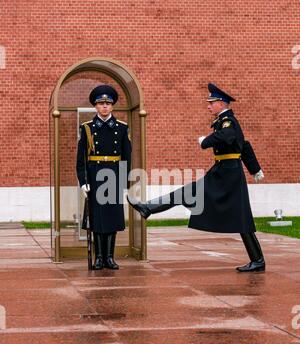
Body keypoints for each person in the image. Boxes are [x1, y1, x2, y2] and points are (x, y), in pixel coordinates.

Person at [127, 83, 265, 273]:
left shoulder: (228, 121)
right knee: (196, 196)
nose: (208, 106)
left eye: (211, 103)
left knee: (239, 217)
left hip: (228, 175)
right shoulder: (224, 120)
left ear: (221, 103)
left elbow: (229, 136)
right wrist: (255, 169)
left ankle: (258, 260)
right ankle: (148, 208)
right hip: (224, 172)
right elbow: (244, 144)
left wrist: (205, 141)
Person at [76, 84, 131, 270]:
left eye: (108, 103)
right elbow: (81, 160)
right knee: (97, 218)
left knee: (113, 217)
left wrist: (124, 184)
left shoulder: (122, 128)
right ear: (95, 106)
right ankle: (99, 257)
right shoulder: (87, 128)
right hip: (95, 177)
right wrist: (83, 182)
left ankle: (109, 257)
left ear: (113, 106)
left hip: (114, 176)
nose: (105, 107)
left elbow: (126, 158)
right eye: (101, 103)